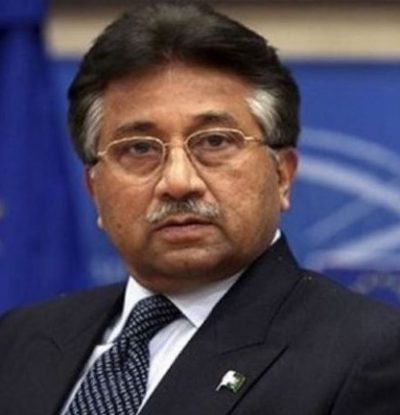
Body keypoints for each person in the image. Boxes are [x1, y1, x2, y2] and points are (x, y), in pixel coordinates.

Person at [1, 1, 400, 414]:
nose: (178, 182)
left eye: (215, 141)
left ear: (282, 175)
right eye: (138, 149)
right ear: (94, 190)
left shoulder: (370, 355)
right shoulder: (20, 339)